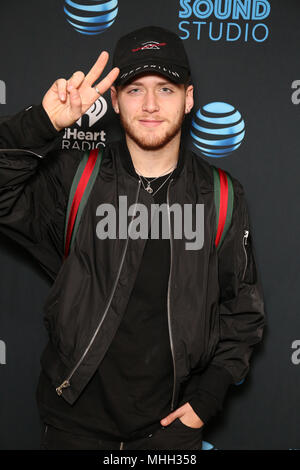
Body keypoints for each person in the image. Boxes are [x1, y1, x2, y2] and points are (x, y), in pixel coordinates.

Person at [0, 26, 265, 450]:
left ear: (189, 98)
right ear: (115, 102)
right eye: (135, 89)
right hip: (73, 427)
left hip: (171, 433)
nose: (151, 105)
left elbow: (243, 311)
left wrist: (208, 395)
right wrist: (40, 123)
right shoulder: (77, 179)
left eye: (166, 88)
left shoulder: (220, 195)